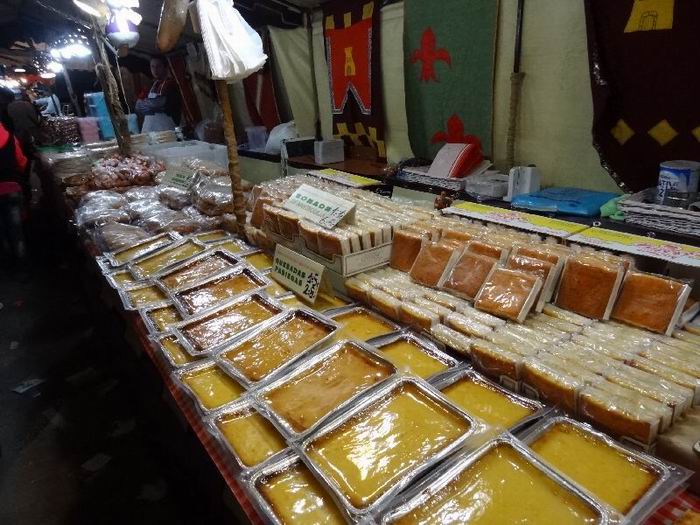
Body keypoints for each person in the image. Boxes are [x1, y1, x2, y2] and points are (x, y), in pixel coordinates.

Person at [0, 97, 29, 265]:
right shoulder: (10, 138)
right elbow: (22, 162)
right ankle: (21, 262)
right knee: (16, 228)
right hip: (11, 188)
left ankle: (6, 261)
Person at [7, 90, 40, 202]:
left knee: (23, 168)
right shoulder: (28, 105)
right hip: (30, 137)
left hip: (17, 140)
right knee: (30, 161)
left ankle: (26, 193)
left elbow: (9, 125)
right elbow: (37, 120)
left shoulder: (8, 108)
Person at [135, 56, 182, 133]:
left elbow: (162, 105)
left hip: (166, 130)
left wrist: (147, 104)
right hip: (149, 130)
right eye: (152, 67)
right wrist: (150, 105)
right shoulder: (151, 85)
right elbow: (138, 107)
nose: (155, 70)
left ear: (165, 67)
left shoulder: (170, 85)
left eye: (158, 66)